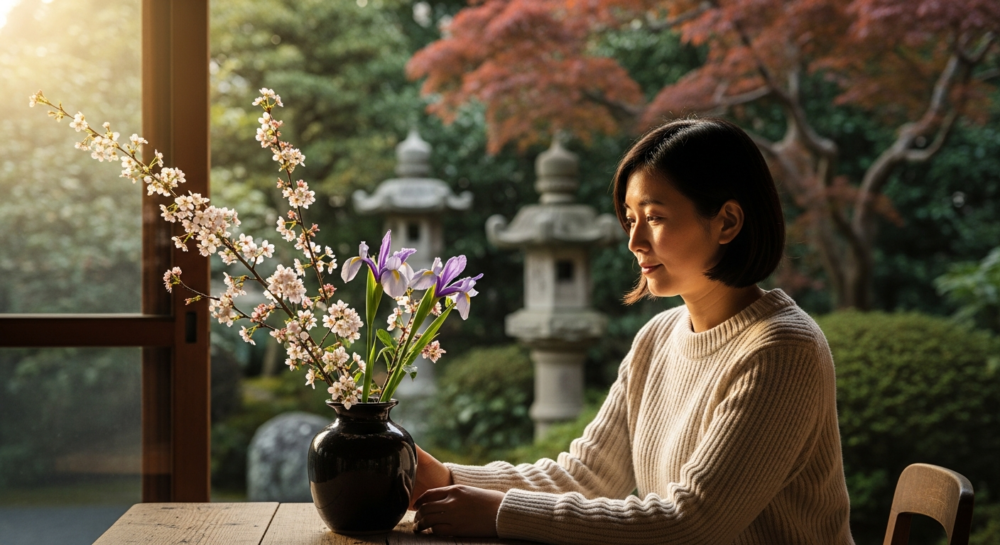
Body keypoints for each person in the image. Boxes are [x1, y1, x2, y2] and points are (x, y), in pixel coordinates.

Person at [410, 118, 854, 544]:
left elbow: (691, 524)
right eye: (629, 217)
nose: (634, 241)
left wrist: (502, 512)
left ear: (728, 222)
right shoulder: (658, 337)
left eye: (655, 217)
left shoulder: (781, 350)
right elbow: (588, 476)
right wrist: (446, 479)